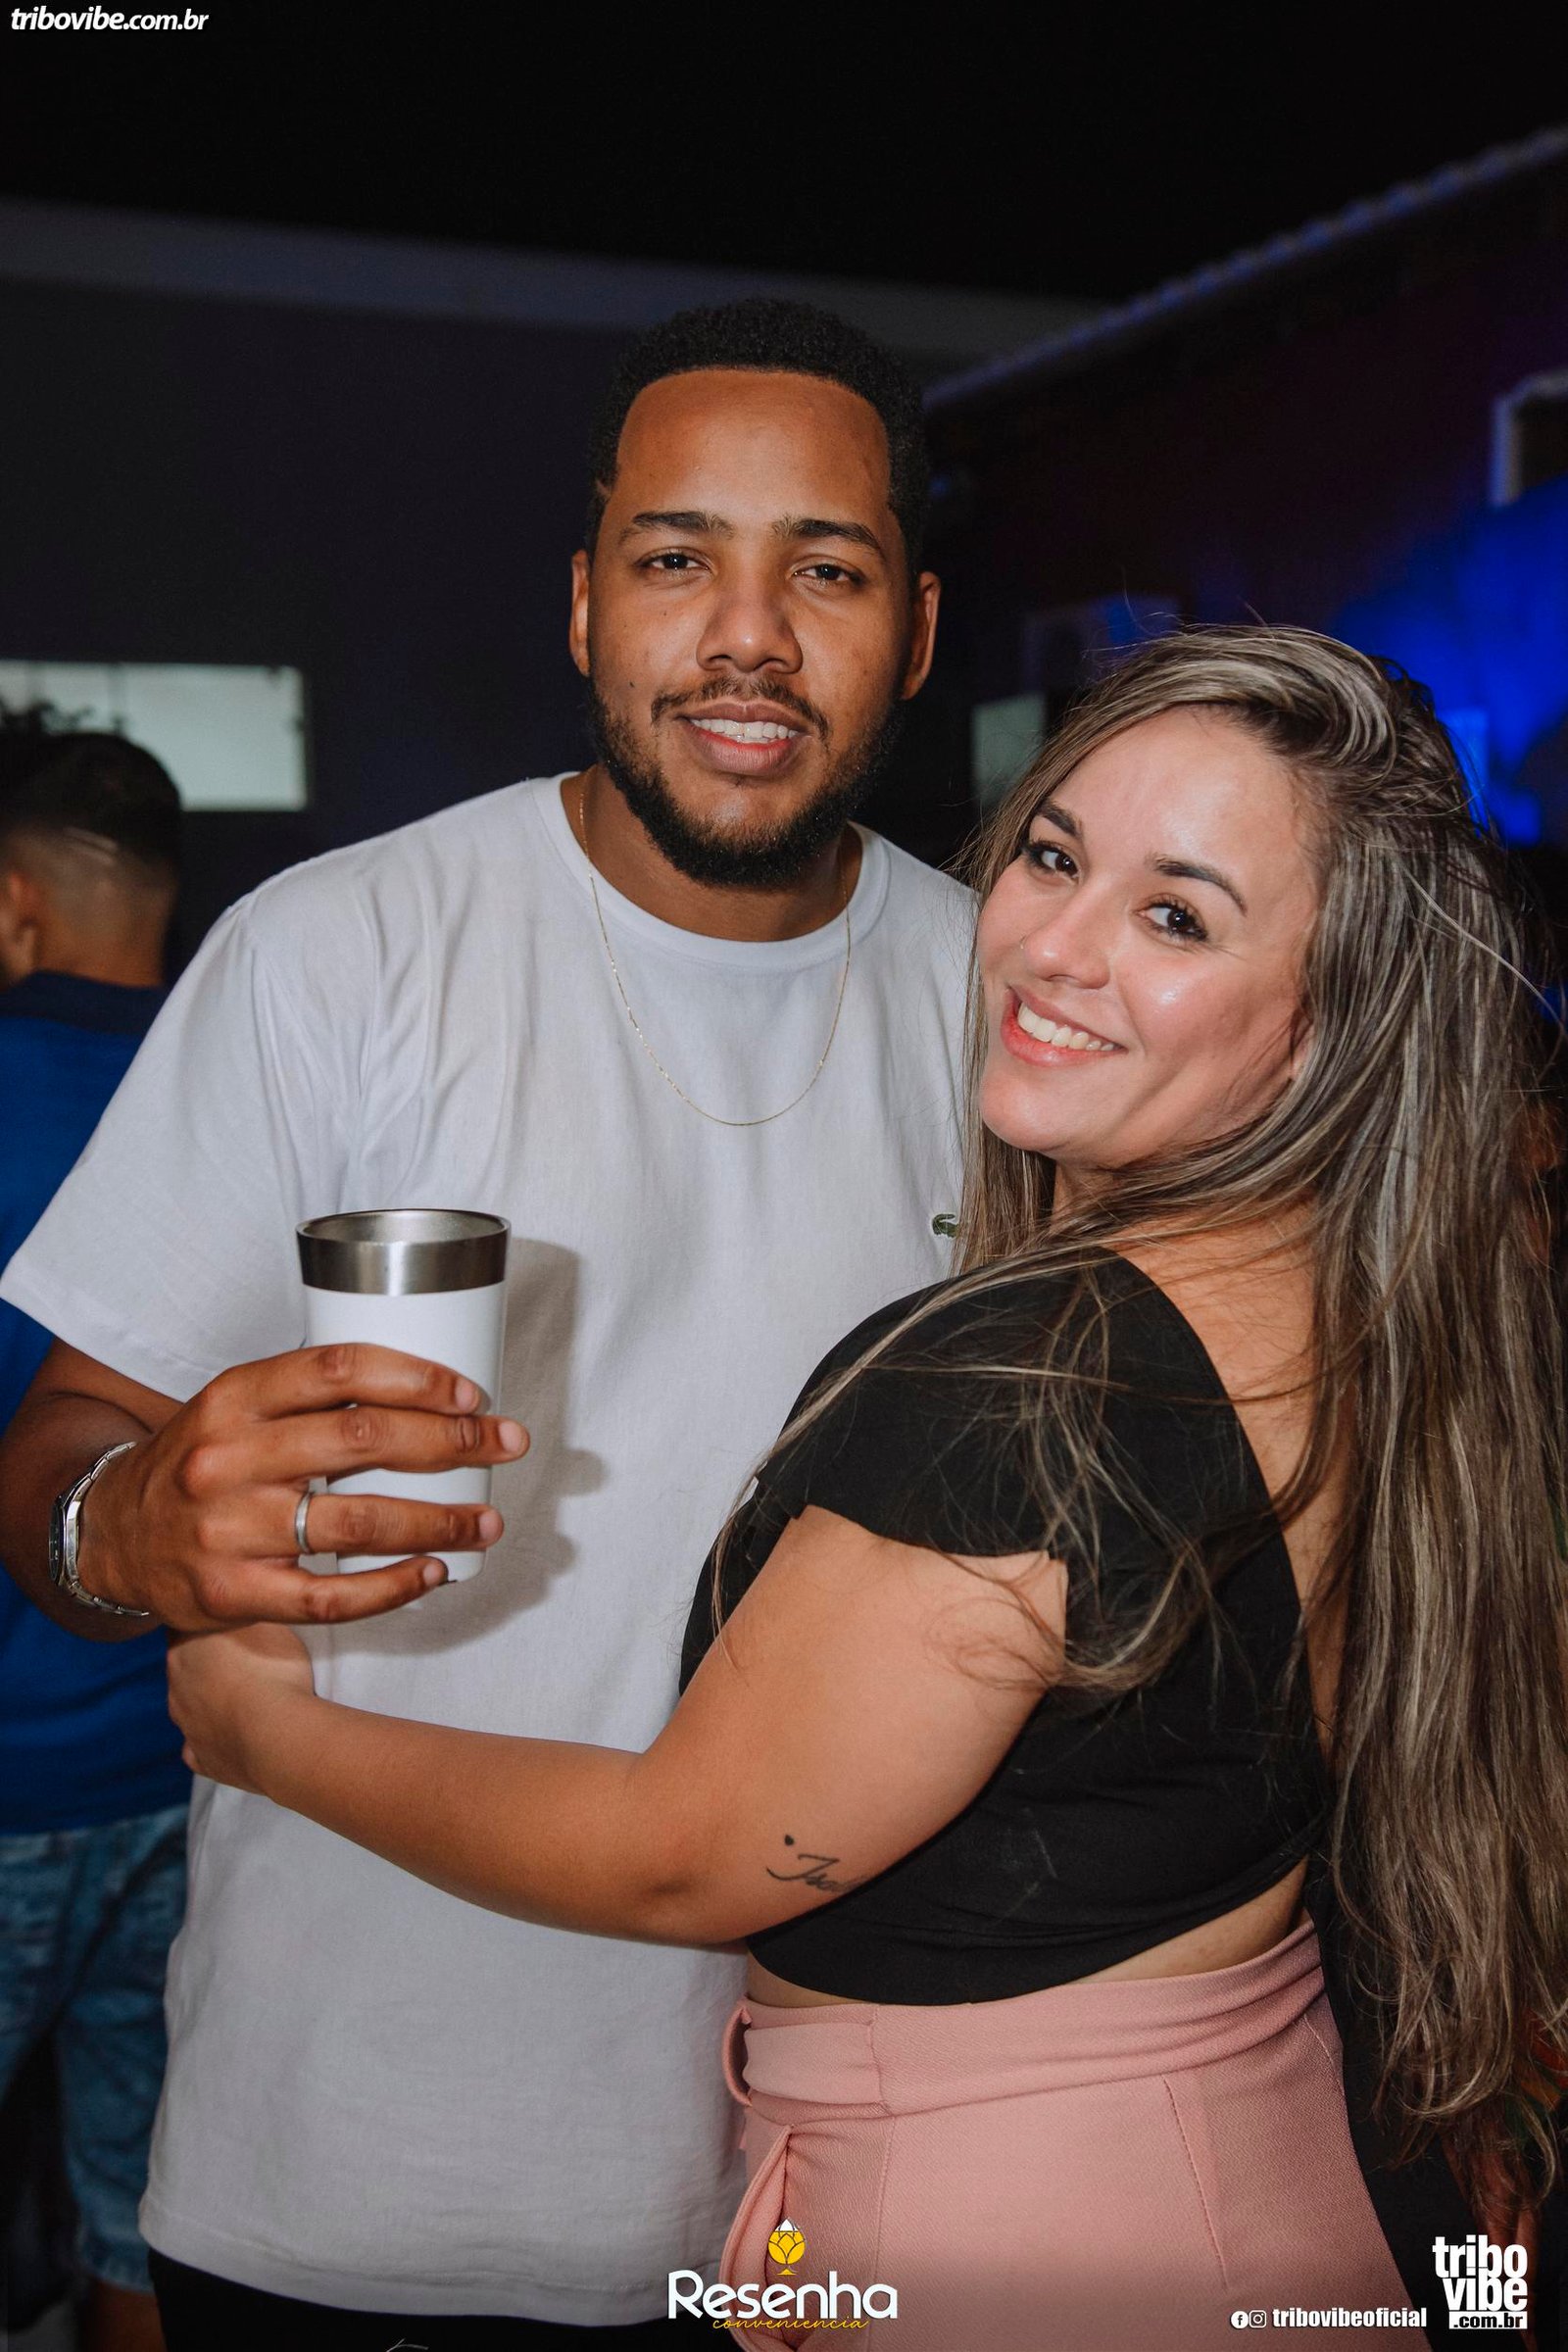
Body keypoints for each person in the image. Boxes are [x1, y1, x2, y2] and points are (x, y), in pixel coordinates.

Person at [164, 629, 1566, 2350]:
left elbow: (688, 1858)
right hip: (1247, 2165)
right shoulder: (1370, 1295)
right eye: (1052, 855)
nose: (1053, 946)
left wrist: (266, 1733)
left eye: (1176, 917)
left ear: (1328, 1022)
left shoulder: (1033, 1379)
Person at [0, 300, 971, 2348]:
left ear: (914, 630)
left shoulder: (1007, 1009)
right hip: (349, 2186)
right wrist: (126, 1527)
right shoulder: (337, 952)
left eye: (826, 569)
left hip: (831, 2199)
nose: (746, 635)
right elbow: (64, 1451)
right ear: (583, 602)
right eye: (676, 556)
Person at [0, 725, 186, 2352]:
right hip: (196, 1767)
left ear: (13, 906)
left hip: (9, 1777)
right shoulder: (255, 1099)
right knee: (151, 2212)